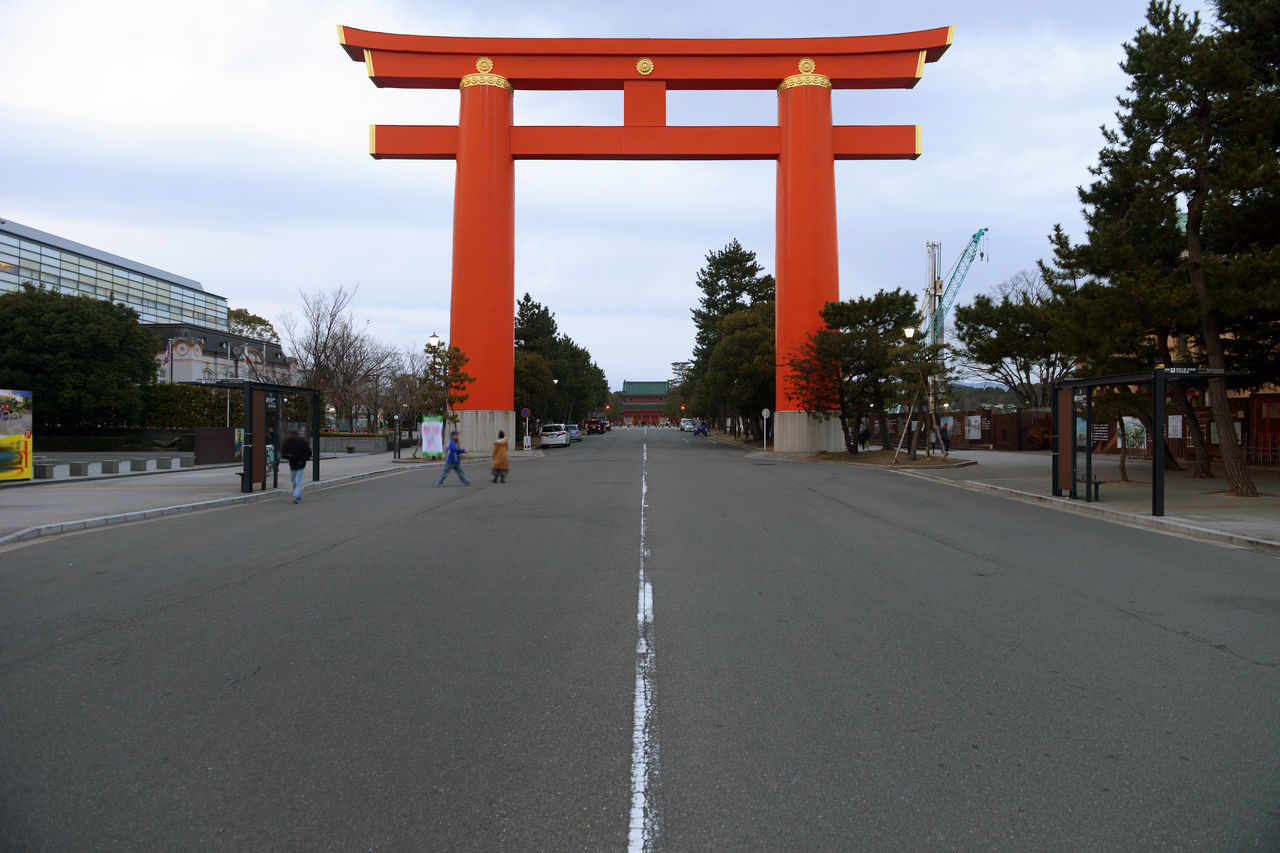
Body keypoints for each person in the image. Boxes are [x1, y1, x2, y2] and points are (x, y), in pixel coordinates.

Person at [280, 429, 312, 504]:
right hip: (293, 464)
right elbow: (284, 453)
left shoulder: (301, 442)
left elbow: (308, 452)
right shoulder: (287, 442)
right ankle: (297, 494)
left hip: (300, 464)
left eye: (290, 434)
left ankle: (295, 496)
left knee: (297, 481)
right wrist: (288, 456)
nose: (288, 435)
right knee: (294, 481)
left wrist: (304, 459)